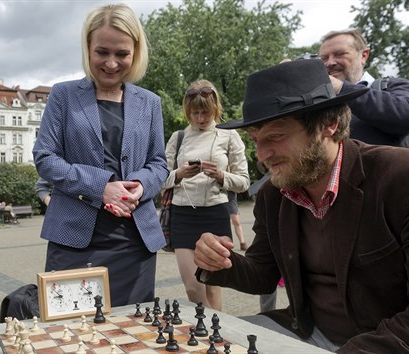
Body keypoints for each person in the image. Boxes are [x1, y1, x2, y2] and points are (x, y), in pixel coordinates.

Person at [194, 59, 409, 353]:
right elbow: (263, 273)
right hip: (307, 333)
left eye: (276, 136)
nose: (262, 155)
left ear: (329, 123)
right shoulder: (274, 194)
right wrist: (219, 262)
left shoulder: (398, 178)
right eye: (255, 140)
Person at [32, 3, 168, 307]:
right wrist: (101, 186)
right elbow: (44, 157)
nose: (110, 63)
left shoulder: (149, 102)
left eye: (121, 54)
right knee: (73, 334)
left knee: (134, 336)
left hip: (134, 240)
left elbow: (159, 163)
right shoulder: (63, 95)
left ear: (136, 52)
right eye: (102, 52)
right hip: (73, 240)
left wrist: (140, 186)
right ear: (87, 48)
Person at [162, 80, 249, 310]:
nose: (200, 118)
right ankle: (211, 329)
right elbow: (158, 179)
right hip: (182, 213)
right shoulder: (178, 137)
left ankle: (216, 336)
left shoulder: (229, 136)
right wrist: (179, 174)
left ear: (215, 110)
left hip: (215, 212)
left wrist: (221, 175)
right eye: (195, 113)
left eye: (205, 113)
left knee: (213, 286)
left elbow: (244, 182)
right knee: (193, 287)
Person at [318, 27, 409, 146]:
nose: (330, 63)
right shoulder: (319, 99)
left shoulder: (391, 86)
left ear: (364, 55)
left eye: (339, 54)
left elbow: (405, 115)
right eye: (324, 58)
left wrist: (342, 89)